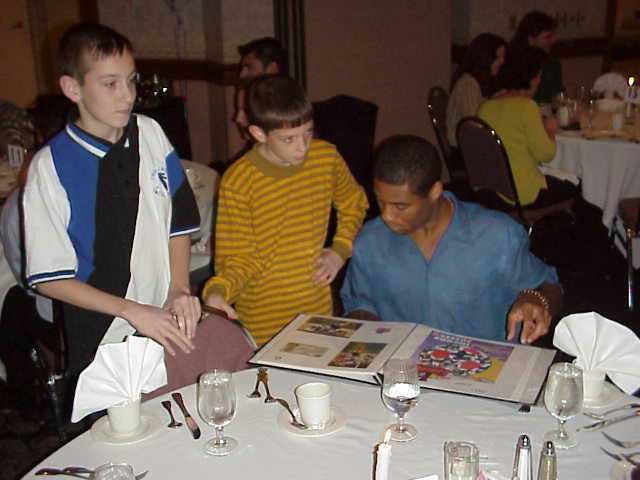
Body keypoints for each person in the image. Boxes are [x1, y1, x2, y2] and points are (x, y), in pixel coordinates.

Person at [22, 22, 202, 375]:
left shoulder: (150, 133)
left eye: (131, 80)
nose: (127, 95)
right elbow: (49, 278)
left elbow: (178, 221)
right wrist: (132, 311)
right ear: (72, 88)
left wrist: (178, 288)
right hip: (101, 334)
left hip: (163, 320)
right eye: (110, 84)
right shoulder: (51, 167)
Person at [340, 135, 563, 344]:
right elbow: (360, 304)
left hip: (488, 366)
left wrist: (536, 301)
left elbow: (550, 288)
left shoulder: (496, 236)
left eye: (400, 206)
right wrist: (365, 329)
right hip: (401, 367)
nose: (387, 216)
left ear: (435, 191)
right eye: (380, 201)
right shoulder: (369, 242)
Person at [203, 75, 368, 347]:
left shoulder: (326, 158)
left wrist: (340, 250)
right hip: (261, 321)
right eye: (288, 139)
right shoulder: (239, 180)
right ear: (259, 134)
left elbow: (354, 202)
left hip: (316, 312)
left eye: (308, 133)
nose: (303, 147)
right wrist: (219, 291)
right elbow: (237, 258)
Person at [478, 46, 578, 208]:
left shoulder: (485, 107)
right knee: (579, 186)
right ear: (530, 79)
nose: (539, 81)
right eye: (538, 76)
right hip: (522, 192)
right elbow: (546, 154)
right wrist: (550, 130)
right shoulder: (527, 107)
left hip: (491, 191)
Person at [447, 33, 506, 146]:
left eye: (503, 57)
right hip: (464, 146)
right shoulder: (468, 84)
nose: (502, 61)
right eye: (498, 57)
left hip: (471, 143)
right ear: (484, 59)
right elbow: (473, 123)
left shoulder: (479, 83)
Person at [511, 10, 563, 104]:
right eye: (547, 37)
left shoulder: (552, 63)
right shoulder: (513, 65)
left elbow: (559, 96)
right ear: (530, 40)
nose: (553, 40)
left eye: (553, 36)